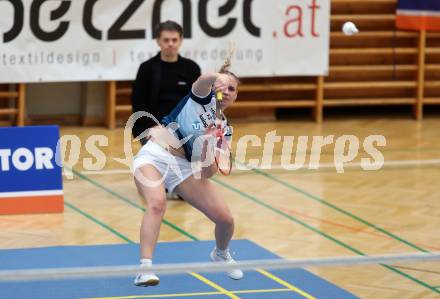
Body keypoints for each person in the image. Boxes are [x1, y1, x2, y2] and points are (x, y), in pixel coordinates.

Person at [131, 65, 242, 287]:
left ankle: (221, 253)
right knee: (157, 203)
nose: (227, 91)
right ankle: (144, 269)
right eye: (224, 86)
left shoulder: (224, 129)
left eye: (232, 88)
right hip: (155, 155)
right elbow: (201, 81)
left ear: (236, 95)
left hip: (184, 167)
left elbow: (205, 172)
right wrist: (215, 77)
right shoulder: (202, 99)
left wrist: (209, 144)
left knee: (225, 219)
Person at [131, 20, 201, 145]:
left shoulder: (192, 68)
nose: (170, 44)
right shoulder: (146, 68)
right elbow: (138, 103)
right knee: (163, 149)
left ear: (181, 40)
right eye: (166, 40)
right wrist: (154, 127)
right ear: (158, 41)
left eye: (174, 40)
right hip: (153, 126)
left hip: (185, 126)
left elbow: (197, 103)